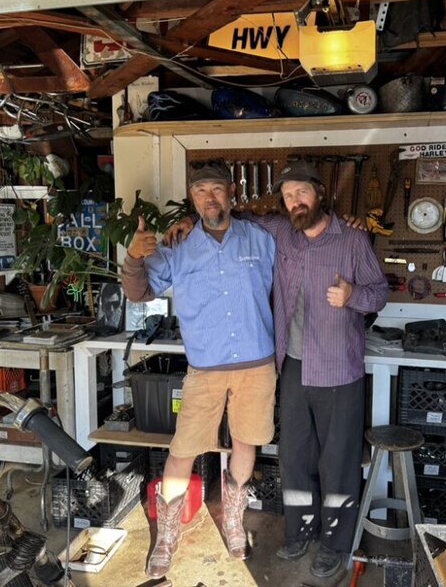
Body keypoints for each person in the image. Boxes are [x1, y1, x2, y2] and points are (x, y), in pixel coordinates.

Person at [166, 159, 389, 578]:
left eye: (301, 192)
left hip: (338, 371)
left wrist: (354, 295)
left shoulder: (353, 240)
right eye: (287, 196)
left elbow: (379, 293)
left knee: (337, 463)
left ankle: (334, 545)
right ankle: (299, 533)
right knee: (294, 458)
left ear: (320, 193)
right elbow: (225, 215)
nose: (295, 201)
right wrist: (190, 219)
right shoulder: (281, 232)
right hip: (291, 366)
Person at [122, 159, 277, 578]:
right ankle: (166, 535)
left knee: (245, 443)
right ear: (192, 198)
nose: (209, 198)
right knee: (182, 450)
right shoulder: (178, 246)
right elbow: (139, 292)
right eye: (200, 191)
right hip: (205, 368)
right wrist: (133, 256)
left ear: (232, 192)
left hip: (256, 365)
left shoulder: (262, 238)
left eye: (217, 189)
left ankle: (234, 521)